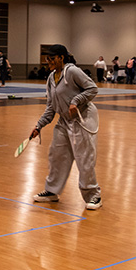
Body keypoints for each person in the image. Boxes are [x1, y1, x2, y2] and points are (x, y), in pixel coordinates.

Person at [30, 44, 102, 210]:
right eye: (48, 59)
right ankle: (51, 191)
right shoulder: (51, 78)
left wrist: (75, 101)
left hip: (82, 119)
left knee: (84, 158)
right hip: (64, 121)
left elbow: (92, 89)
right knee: (56, 154)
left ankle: (94, 196)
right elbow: (51, 107)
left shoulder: (72, 71)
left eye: (52, 59)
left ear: (61, 57)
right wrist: (38, 126)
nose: (49, 62)